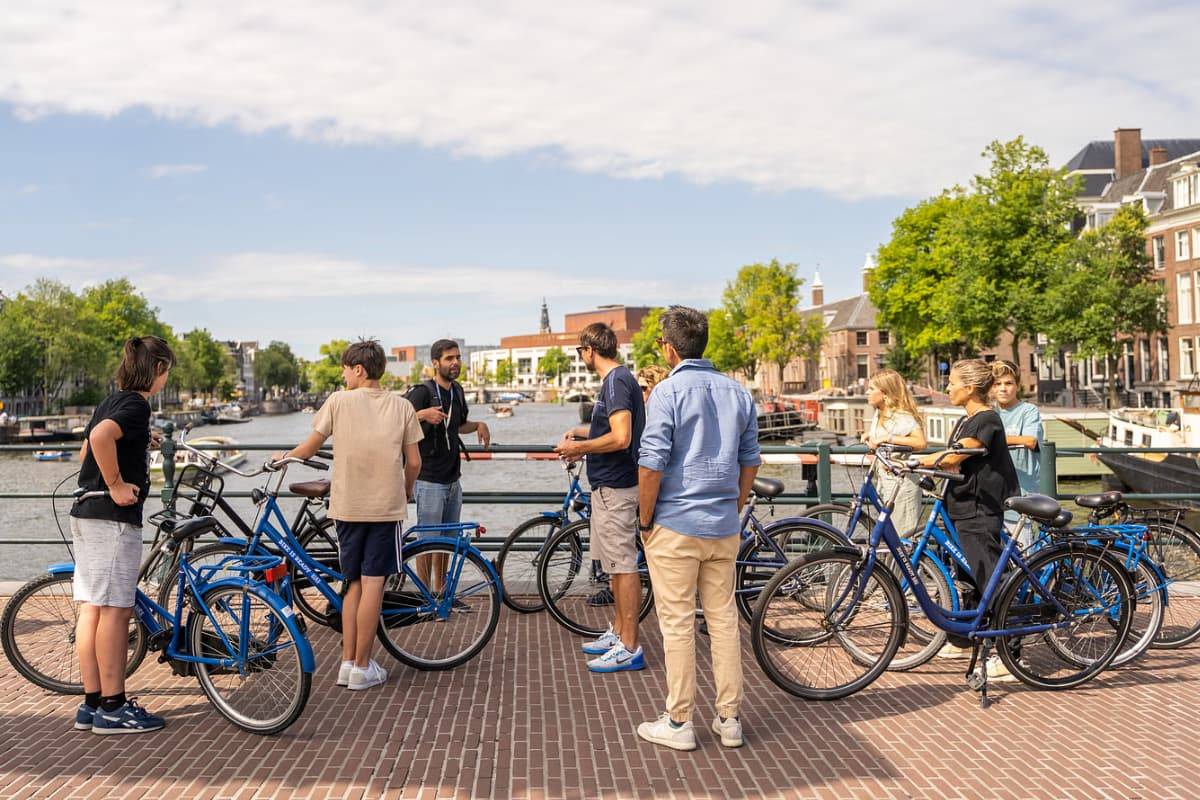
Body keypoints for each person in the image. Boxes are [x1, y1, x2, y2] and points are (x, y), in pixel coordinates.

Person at [635, 306, 760, 751]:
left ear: (669, 348)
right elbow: (750, 461)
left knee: (678, 624)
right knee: (724, 621)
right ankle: (730, 719)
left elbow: (651, 465)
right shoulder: (738, 393)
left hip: (676, 524)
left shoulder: (667, 393)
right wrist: (734, 504)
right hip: (723, 524)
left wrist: (645, 521)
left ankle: (679, 721)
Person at [281, 339, 423, 691]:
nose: (343, 375)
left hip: (345, 507)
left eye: (345, 369)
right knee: (375, 584)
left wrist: (282, 457)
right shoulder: (401, 406)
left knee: (352, 585)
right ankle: (363, 666)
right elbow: (415, 462)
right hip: (384, 508)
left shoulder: (338, 402)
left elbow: (310, 447)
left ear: (358, 369)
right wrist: (405, 491)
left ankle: (348, 662)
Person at [71, 335, 176, 734]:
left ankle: (92, 704)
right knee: (116, 609)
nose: (166, 380)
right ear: (157, 369)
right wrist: (116, 483)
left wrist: (136, 440)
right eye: (166, 372)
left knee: (92, 609)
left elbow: (86, 451)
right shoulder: (135, 404)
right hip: (112, 519)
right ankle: (114, 708)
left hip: (85, 514)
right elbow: (99, 441)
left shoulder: (111, 401)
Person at [554, 323, 647, 673]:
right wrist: (582, 432)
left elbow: (622, 437)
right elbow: (610, 427)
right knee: (612, 565)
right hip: (608, 488)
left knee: (623, 566)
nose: (581, 357)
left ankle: (630, 646)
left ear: (590, 350)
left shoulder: (618, 381)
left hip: (618, 488)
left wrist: (580, 448)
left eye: (581, 351)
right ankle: (620, 633)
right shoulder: (616, 382)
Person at [919, 359, 1019, 679]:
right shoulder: (966, 420)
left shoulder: (987, 420)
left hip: (979, 508)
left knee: (991, 578)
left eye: (952, 382)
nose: (947, 387)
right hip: (960, 506)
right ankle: (964, 638)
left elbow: (960, 454)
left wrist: (915, 460)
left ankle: (1009, 650)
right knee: (966, 576)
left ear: (970, 387)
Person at [405, 339, 490, 592]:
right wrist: (423, 415)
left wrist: (478, 425)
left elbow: (457, 425)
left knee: (447, 542)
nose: (455, 363)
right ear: (435, 363)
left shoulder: (458, 391)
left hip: (453, 478)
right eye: (449, 359)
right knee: (427, 543)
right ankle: (423, 595)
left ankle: (441, 593)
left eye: (458, 358)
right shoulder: (421, 391)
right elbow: (397, 419)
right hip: (429, 478)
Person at [861, 369, 927, 536]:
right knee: (892, 536)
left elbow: (920, 442)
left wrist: (888, 438)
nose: (867, 392)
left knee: (904, 538)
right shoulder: (879, 413)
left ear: (884, 394)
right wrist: (870, 436)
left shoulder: (900, 415)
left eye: (871, 389)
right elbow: (881, 439)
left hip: (902, 484)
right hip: (887, 483)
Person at [991, 359, 1044, 546]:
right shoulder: (990, 413)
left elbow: (1030, 440)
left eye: (1008, 383)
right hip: (994, 498)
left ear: (1017, 385)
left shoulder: (1028, 411)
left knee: (1023, 553)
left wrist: (992, 438)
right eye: (997, 384)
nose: (1003, 389)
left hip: (1022, 494)